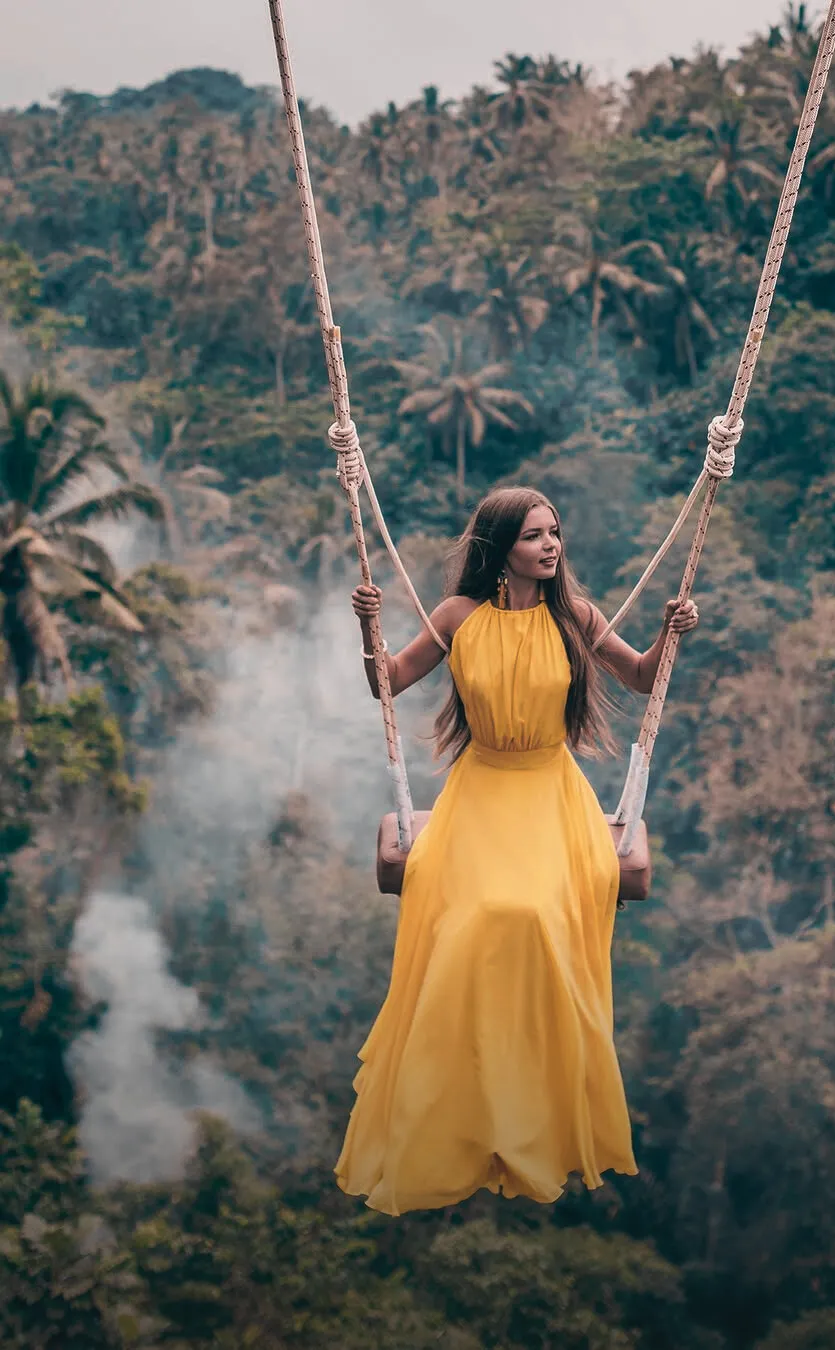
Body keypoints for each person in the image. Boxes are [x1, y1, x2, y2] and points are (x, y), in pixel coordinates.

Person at [334, 485, 699, 1215]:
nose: (551, 545)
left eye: (555, 532)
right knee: (473, 919)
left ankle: (531, 1103)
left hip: (548, 792)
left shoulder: (574, 617)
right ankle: (467, 1100)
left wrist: (671, 634)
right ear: (502, 547)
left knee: (532, 914)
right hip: (482, 788)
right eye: (535, 535)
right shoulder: (457, 617)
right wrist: (369, 631)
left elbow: (639, 674)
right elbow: (389, 682)